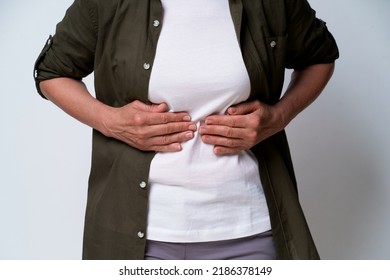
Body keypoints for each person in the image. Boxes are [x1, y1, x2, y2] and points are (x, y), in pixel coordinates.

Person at [33, 0, 339, 260]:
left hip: (251, 231)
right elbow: (52, 71)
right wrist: (111, 122)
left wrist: (280, 116)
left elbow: (320, 56)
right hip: (141, 241)